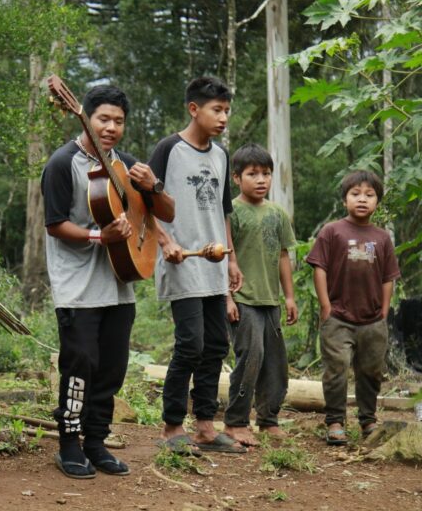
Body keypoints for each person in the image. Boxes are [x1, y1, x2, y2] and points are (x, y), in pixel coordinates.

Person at [42, 85, 174, 479]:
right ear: (86, 116)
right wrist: (100, 236)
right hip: (78, 286)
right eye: (104, 118)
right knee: (81, 363)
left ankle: (96, 442)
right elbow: (54, 225)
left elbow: (164, 212)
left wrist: (153, 186)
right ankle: (68, 443)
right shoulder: (63, 163)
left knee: (112, 368)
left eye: (119, 121)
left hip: (120, 282)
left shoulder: (127, 165)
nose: (111, 127)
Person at [150, 76, 245, 455]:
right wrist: (166, 242)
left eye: (226, 111)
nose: (223, 118)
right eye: (216, 110)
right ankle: (172, 427)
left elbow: (224, 211)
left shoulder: (221, 155)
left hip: (213, 264)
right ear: (194, 109)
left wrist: (231, 259)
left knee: (217, 344)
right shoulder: (168, 149)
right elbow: (144, 204)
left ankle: (205, 426)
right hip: (181, 261)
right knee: (190, 343)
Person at [306, 170, 400, 445]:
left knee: (371, 371)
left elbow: (388, 277)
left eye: (369, 195)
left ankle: (368, 420)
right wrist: (325, 305)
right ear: (345, 199)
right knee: (336, 369)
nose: (362, 200)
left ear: (377, 202)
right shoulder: (332, 231)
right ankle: (335, 421)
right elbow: (319, 268)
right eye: (355, 194)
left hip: (372, 320)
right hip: (338, 317)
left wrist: (384, 311)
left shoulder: (382, 238)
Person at [222, 143, 297, 447]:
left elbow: (282, 256)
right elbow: (224, 258)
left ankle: (268, 419)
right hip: (242, 300)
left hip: (271, 300)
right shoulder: (232, 211)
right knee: (250, 358)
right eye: (253, 174)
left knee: (275, 362)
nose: (261, 179)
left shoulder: (277, 213)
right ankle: (236, 421)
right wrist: (227, 299)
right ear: (237, 178)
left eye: (266, 173)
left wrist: (289, 297)